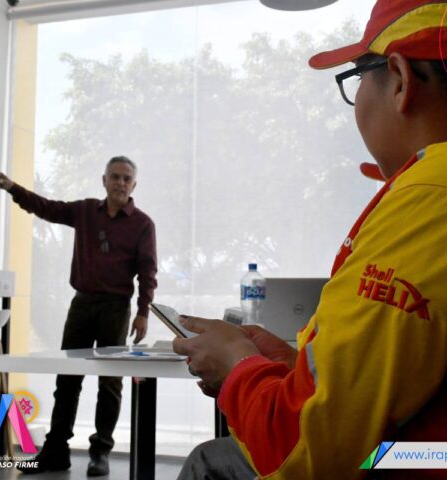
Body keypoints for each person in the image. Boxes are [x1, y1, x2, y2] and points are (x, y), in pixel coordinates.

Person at [173, 0, 447, 478]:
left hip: (417, 461)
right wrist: (290, 365)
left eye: (357, 78)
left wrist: (237, 366)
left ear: (400, 79)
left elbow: (302, 450)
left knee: (211, 463)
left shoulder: (428, 194)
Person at [0, 156, 157, 476]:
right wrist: (12, 187)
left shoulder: (142, 224)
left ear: (134, 185)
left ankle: (100, 452)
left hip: (116, 309)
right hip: (82, 305)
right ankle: (55, 451)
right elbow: (46, 207)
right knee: (67, 379)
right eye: (115, 176)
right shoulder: (85, 211)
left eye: (127, 179)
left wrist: (143, 312)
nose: (120, 183)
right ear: (104, 180)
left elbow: (148, 272)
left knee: (110, 383)